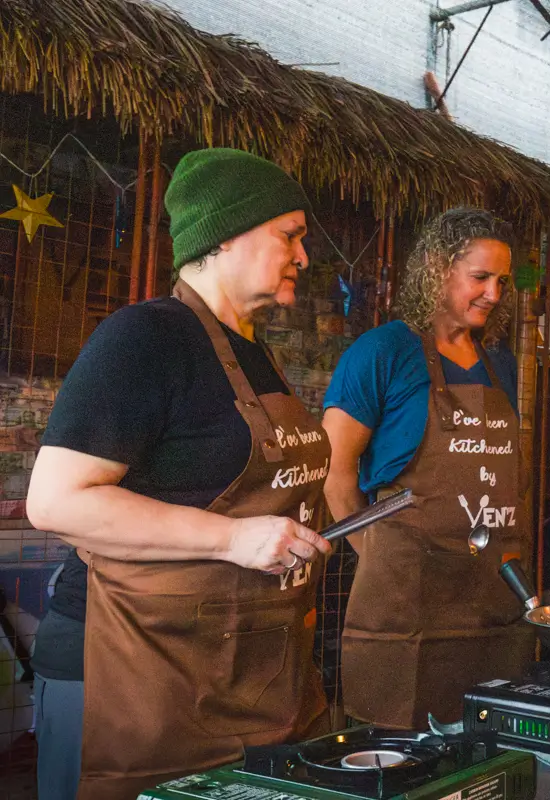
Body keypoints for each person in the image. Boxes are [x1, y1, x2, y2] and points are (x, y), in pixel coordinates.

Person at [25, 148, 333, 800]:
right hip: (125, 669)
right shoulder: (145, 339)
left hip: (230, 673)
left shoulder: (253, 354)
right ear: (226, 235)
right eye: (290, 235)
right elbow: (54, 503)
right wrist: (233, 539)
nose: (303, 257)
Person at [323, 208, 530, 728]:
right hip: (406, 605)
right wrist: (378, 557)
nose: (494, 294)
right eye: (480, 277)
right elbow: (335, 472)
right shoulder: (383, 352)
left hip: (490, 600)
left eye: (501, 281)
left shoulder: (499, 363)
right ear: (438, 268)